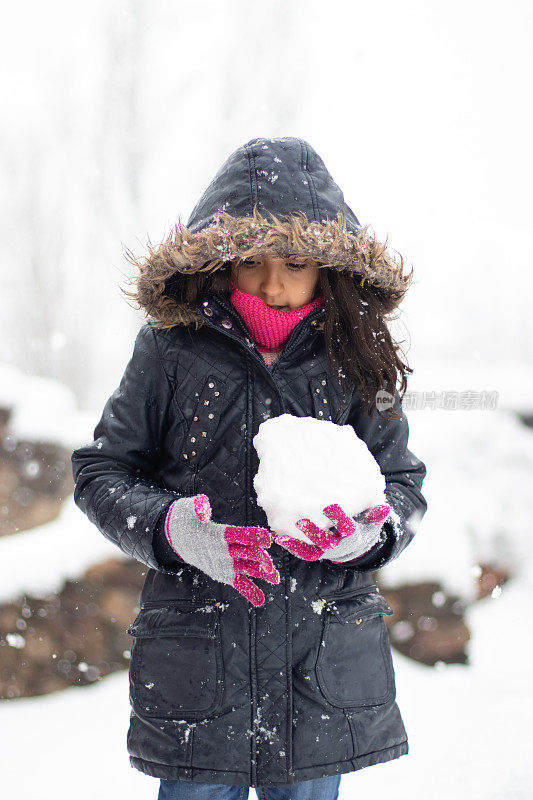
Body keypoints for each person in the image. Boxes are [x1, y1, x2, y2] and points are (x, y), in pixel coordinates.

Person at [71, 136, 427, 800]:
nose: (272, 282)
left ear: (329, 265)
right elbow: (102, 473)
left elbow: (401, 483)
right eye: (253, 261)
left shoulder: (357, 355)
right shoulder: (170, 350)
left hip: (320, 666)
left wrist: (368, 535)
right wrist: (174, 531)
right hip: (201, 665)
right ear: (220, 259)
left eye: (295, 263)